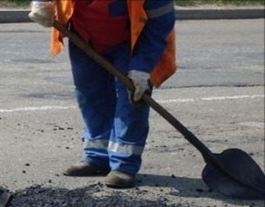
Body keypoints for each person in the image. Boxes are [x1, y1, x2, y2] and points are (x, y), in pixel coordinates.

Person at [29, 0, 176, 188]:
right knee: (90, 94)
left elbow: (160, 23)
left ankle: (124, 165)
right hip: (83, 34)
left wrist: (142, 68)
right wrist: (42, 3)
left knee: (132, 99)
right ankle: (97, 157)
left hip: (131, 39)